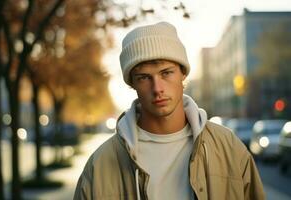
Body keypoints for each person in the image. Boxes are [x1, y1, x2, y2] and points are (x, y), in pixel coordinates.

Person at [74, 22, 265, 200]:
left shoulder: (228, 148)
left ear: (183, 73)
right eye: (144, 77)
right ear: (132, 84)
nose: (157, 88)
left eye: (166, 73)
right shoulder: (99, 165)